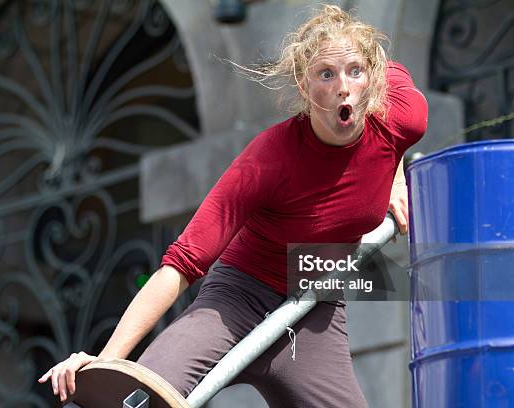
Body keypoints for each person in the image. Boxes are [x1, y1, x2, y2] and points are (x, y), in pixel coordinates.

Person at [39, 5, 428, 407]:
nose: (343, 87)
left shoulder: (403, 119)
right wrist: (106, 363)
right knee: (143, 396)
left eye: (354, 71)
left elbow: (391, 80)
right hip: (237, 299)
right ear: (303, 85)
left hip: (315, 306)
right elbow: (182, 263)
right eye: (325, 74)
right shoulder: (269, 160)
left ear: (373, 80)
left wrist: (395, 173)